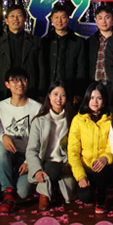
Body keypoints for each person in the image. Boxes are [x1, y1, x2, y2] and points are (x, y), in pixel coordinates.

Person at [0, 68, 41, 213]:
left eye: (23, 80)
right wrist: (3, 137)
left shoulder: (36, 108)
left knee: (22, 193)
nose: (20, 83)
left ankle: (15, 180)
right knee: (0, 147)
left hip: (27, 156)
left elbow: (40, 139)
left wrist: (28, 161)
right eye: (14, 80)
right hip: (9, 153)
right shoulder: (0, 107)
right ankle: (7, 192)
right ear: (7, 84)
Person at [26, 82, 77, 211]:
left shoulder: (72, 120)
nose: (58, 99)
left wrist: (71, 165)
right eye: (55, 94)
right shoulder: (39, 121)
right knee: (50, 170)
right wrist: (36, 170)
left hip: (64, 163)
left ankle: (55, 188)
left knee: (74, 190)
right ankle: (44, 195)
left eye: (62, 95)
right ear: (49, 96)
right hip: (45, 163)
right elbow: (31, 149)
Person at [68, 82, 113, 214]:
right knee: (86, 197)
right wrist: (81, 176)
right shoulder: (78, 120)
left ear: (104, 100)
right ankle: (90, 188)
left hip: (103, 168)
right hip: (86, 169)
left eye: (99, 98)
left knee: (100, 167)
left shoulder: (111, 120)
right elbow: (73, 151)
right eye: (92, 98)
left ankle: (101, 197)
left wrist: (106, 158)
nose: (95, 102)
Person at [0, 4, 40, 103]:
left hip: (29, 90)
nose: (15, 19)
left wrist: (41, 93)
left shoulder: (35, 42)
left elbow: (42, 69)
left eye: (19, 15)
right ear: (6, 21)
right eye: (12, 16)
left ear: (25, 19)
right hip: (4, 92)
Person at [39, 4, 87, 101]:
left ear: (68, 19)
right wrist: (41, 93)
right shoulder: (44, 42)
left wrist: (79, 92)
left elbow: (81, 69)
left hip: (70, 90)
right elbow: (41, 69)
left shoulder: (78, 42)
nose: (59, 21)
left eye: (63, 17)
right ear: (52, 19)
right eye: (56, 17)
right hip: (48, 90)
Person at [87, 5, 113, 86]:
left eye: (107, 17)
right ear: (96, 21)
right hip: (94, 85)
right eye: (100, 18)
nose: (104, 21)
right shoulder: (90, 41)